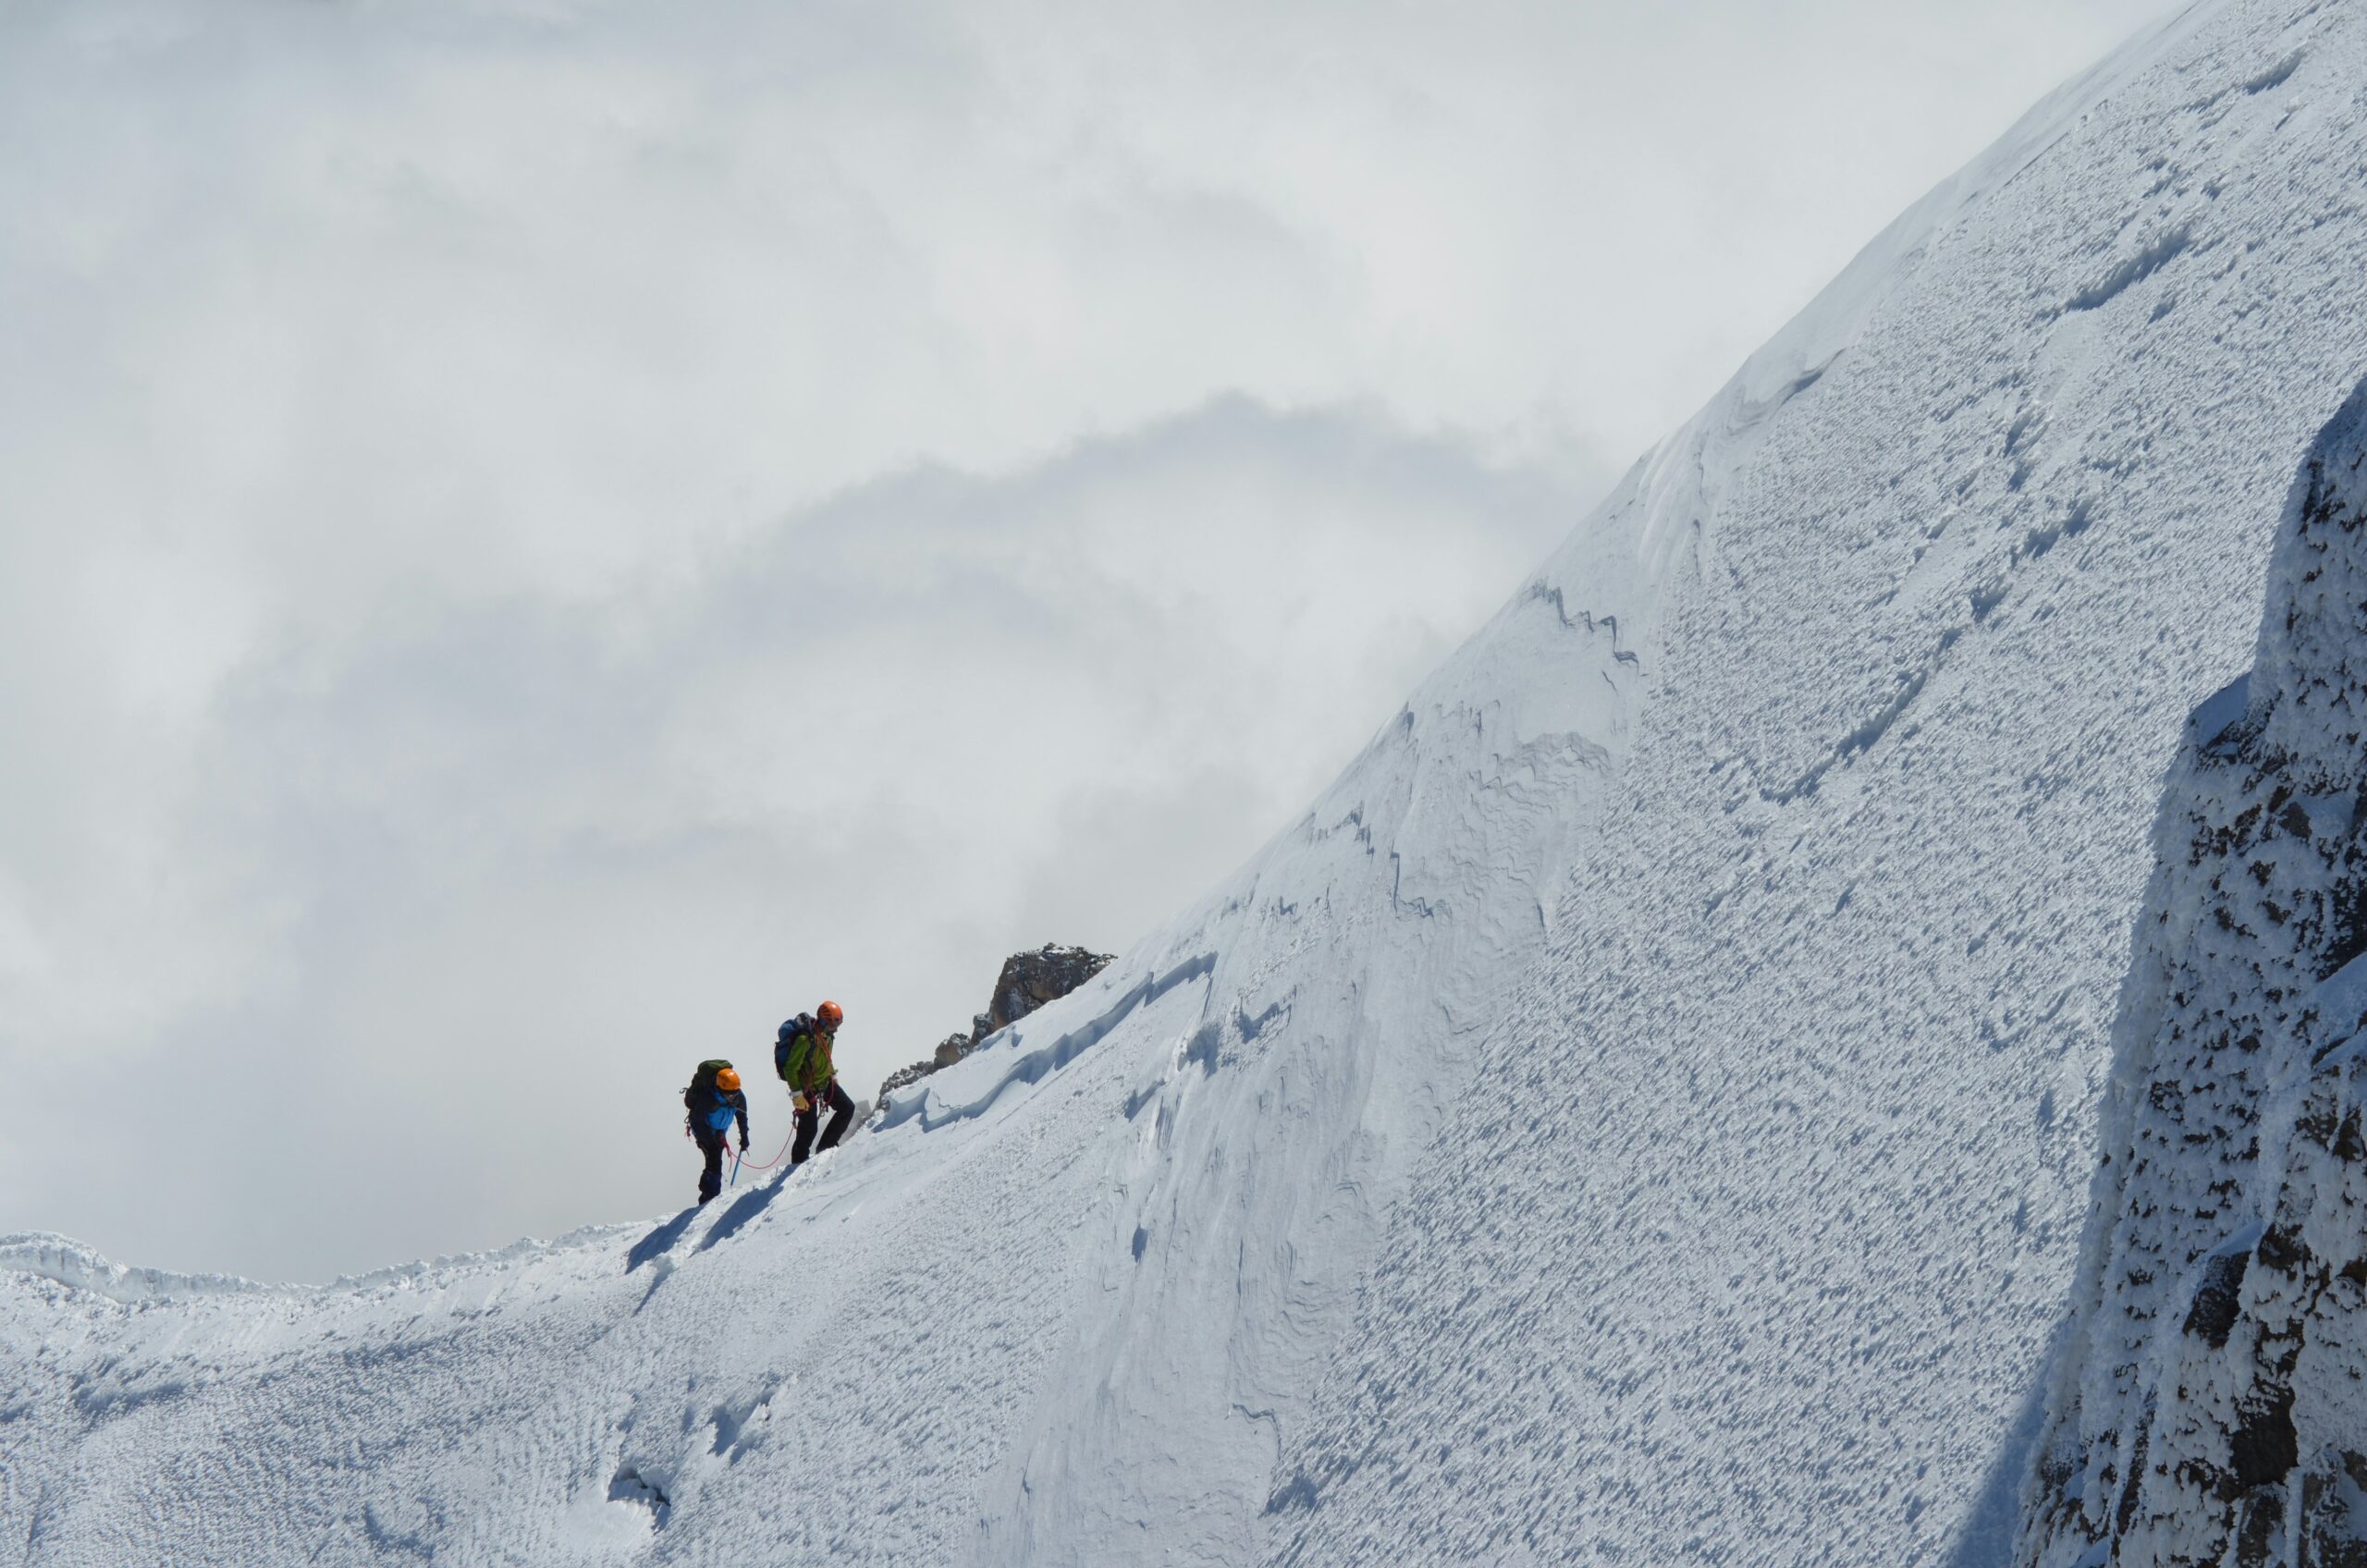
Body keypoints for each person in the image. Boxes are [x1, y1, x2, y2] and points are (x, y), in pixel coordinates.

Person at [777, 1000, 852, 1165]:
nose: (836, 1029)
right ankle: (797, 1164)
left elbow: (826, 1057)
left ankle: (826, 1146)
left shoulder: (828, 1036)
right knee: (809, 1130)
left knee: (847, 1107)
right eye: (834, 1025)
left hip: (824, 1082)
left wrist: (832, 1075)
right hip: (806, 1090)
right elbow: (791, 1068)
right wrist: (797, 1094)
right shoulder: (805, 1039)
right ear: (825, 1021)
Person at [683, 1060, 750, 1206]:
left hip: (719, 1130)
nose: (732, 1097)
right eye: (729, 1094)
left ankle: (710, 1196)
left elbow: (742, 1116)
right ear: (720, 1088)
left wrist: (744, 1136)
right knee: (714, 1159)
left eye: (734, 1094)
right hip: (704, 1130)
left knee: (714, 1160)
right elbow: (697, 1121)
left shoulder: (738, 1096)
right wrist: (709, 1141)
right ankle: (709, 1198)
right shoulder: (708, 1097)